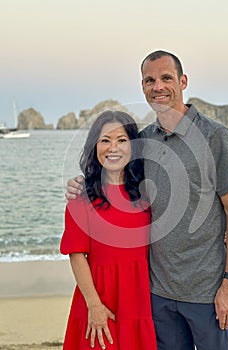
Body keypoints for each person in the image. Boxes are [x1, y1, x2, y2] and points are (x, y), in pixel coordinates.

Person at [65, 50, 228, 350]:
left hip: (207, 292)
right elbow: (117, 179)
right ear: (142, 87)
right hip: (157, 295)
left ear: (183, 81)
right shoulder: (144, 142)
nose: (158, 86)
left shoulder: (215, 136)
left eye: (166, 78)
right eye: (150, 80)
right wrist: (82, 185)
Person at [60, 110, 158, 350]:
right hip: (99, 300)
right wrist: (94, 306)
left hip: (140, 300)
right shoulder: (81, 196)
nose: (113, 148)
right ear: (95, 146)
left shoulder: (146, 193)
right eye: (105, 140)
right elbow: (76, 255)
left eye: (122, 140)